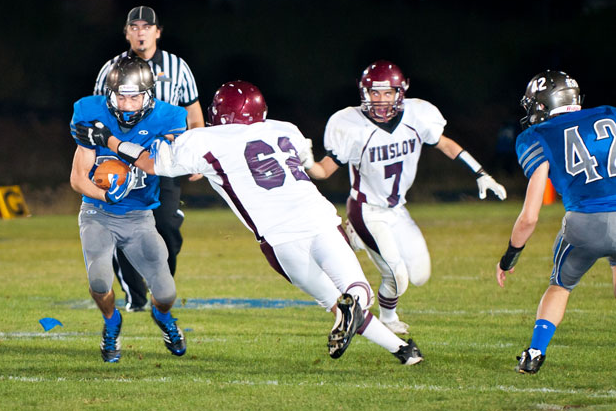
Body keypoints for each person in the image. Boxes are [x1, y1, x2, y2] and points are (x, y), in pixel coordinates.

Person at [76, 80, 424, 366]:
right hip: (318, 219)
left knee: (332, 301)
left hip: (279, 239)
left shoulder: (206, 139)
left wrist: (108, 139)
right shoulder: (285, 129)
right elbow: (311, 167)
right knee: (355, 292)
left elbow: (151, 164)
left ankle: (400, 349)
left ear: (218, 115)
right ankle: (394, 343)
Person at [301, 60, 507, 334]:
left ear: (401, 92)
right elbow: (325, 171)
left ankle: (358, 238)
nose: (381, 100)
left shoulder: (418, 115)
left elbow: (445, 144)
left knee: (421, 276)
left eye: (388, 93)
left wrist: (481, 172)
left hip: (398, 209)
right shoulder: (350, 124)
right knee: (398, 276)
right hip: (366, 209)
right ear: (364, 93)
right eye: (375, 93)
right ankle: (388, 317)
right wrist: (306, 163)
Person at [496, 70, 616, 374]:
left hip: (585, 224)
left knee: (560, 286)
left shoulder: (537, 136)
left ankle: (535, 353)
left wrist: (511, 255)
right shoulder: (609, 114)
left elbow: (530, 217)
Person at [70, 55, 187, 362]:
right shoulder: (89, 111)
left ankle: (163, 318)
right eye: (120, 96)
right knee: (98, 281)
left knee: (165, 294)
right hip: (98, 213)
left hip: (140, 216)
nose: (126, 104)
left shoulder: (170, 118)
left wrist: (109, 141)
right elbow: (77, 178)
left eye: (134, 96)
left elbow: (155, 164)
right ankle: (112, 322)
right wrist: (106, 196)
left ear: (148, 95)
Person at [94, 6, 205, 312]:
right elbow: (96, 116)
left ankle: (160, 285)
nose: (141, 31)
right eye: (135, 26)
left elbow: (194, 114)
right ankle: (136, 297)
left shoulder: (177, 67)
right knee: (123, 231)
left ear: (158, 31)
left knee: (166, 226)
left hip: (164, 160)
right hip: (122, 162)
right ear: (127, 32)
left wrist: (197, 155)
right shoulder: (111, 68)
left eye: (147, 26)